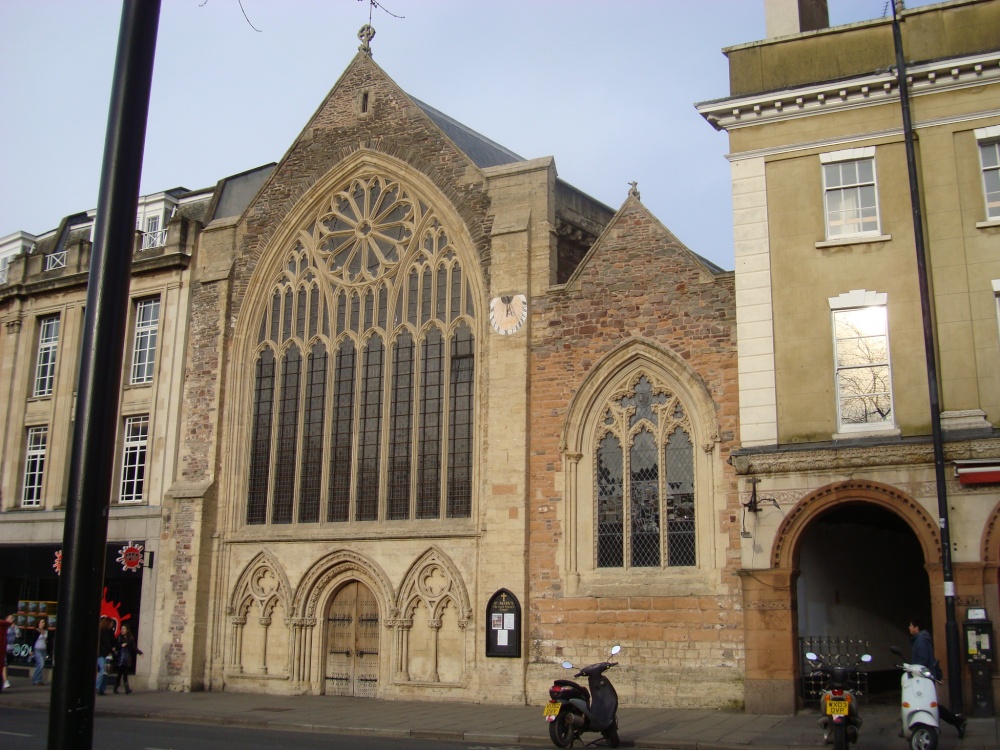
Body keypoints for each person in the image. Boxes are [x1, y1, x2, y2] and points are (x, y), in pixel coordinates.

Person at [908, 617, 967, 739]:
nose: (909, 628)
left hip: (922, 678)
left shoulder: (920, 640)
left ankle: (957, 721)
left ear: (916, 628)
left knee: (928, 705)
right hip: (926, 676)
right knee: (929, 705)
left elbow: (921, 661)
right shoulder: (922, 638)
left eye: (911, 625)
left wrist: (912, 672)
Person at [113, 624, 141, 694]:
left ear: (127, 630)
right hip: (121, 657)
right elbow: (116, 647)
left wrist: (140, 652)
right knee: (120, 674)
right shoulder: (119, 637)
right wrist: (120, 645)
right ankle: (117, 688)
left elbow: (134, 647)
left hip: (127, 657)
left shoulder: (130, 638)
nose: (122, 630)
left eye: (124, 629)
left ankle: (126, 689)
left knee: (125, 673)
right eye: (121, 629)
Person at [96, 616, 116, 696]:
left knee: (106, 671)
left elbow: (113, 642)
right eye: (111, 623)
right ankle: (97, 687)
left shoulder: (110, 632)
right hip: (101, 654)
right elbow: (100, 644)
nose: (112, 625)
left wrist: (114, 647)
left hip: (109, 654)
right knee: (103, 669)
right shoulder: (101, 632)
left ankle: (102, 689)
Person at [1, 613, 15, 691]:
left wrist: (14, 628)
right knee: (4, 665)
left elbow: (18, 635)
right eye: (10, 618)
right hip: (4, 649)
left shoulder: (14, 627)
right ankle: (6, 681)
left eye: (13, 618)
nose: (12, 619)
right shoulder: (5, 627)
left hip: (10, 649)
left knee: (5, 665)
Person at [31, 618, 47, 685]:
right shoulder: (36, 631)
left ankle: (36, 679)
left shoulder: (46, 631)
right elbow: (32, 641)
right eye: (42, 622)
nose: (43, 623)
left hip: (44, 649)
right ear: (39, 623)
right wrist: (31, 650)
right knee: (41, 663)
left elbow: (47, 641)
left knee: (39, 665)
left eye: (44, 622)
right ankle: (37, 679)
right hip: (37, 649)